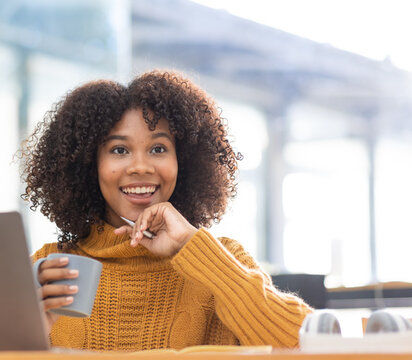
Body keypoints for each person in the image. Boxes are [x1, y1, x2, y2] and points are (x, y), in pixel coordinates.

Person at [19, 70, 312, 351]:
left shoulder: (223, 259)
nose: (141, 167)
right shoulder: (48, 269)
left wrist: (193, 248)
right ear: (88, 165)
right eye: (119, 150)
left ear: (183, 160)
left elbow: (310, 345)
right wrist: (25, 338)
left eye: (158, 149)